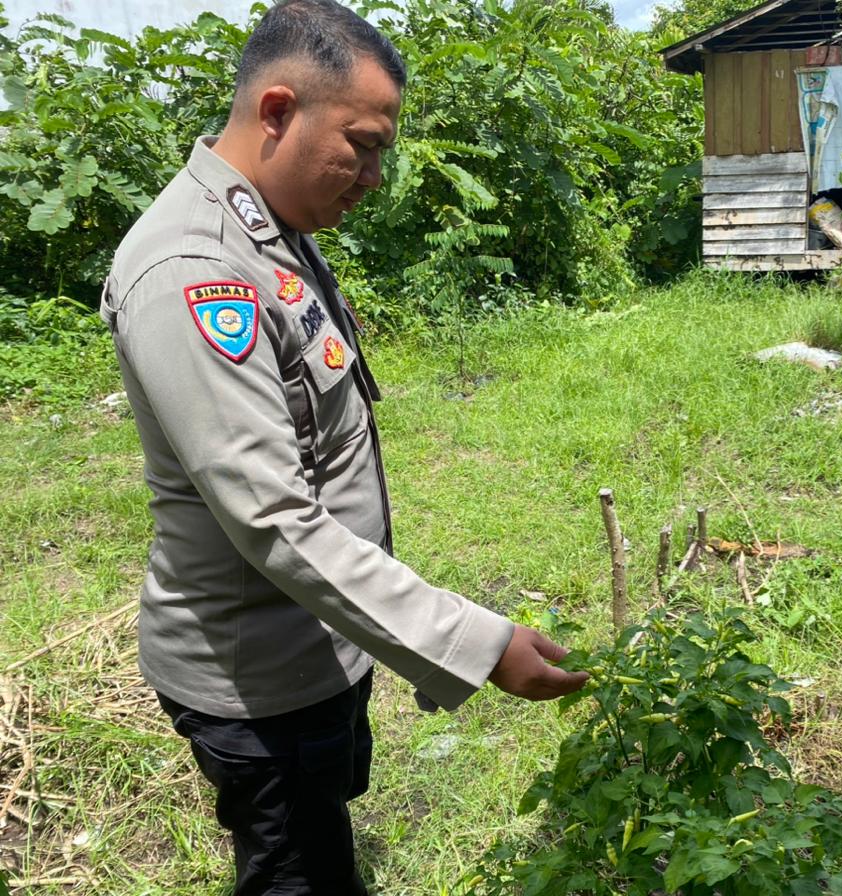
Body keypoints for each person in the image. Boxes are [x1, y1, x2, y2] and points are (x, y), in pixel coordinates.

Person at [99, 1, 588, 892]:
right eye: (359, 145)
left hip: (311, 644)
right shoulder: (197, 269)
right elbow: (276, 519)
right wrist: (478, 644)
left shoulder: (271, 231)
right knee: (297, 869)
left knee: (321, 840)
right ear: (277, 111)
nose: (370, 175)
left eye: (380, 153)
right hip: (257, 679)